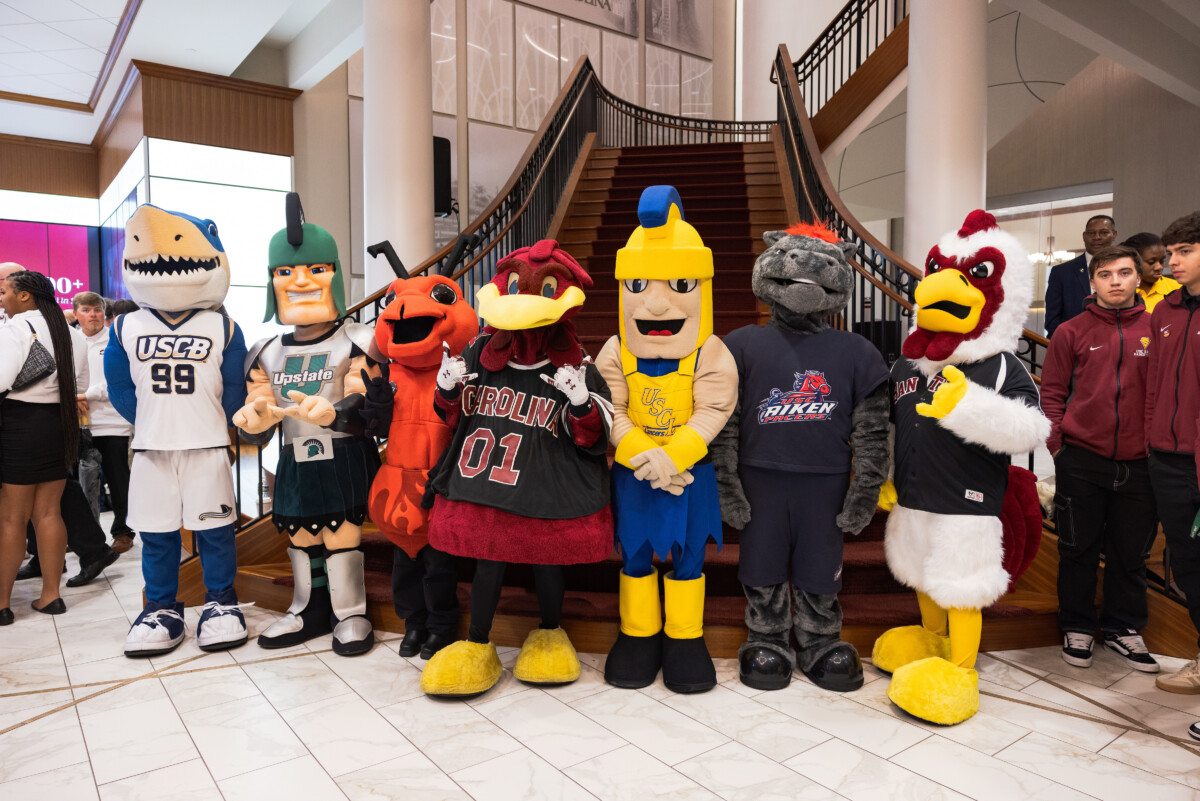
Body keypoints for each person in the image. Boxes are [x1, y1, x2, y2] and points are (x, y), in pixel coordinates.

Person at [1041, 245, 1159, 672]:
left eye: (1124, 273)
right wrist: (1058, 447)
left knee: (1131, 554)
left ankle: (1123, 628)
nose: (1115, 282)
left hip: (1142, 463)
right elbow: (1052, 394)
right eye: (1105, 275)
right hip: (1082, 459)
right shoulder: (1070, 331)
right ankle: (1076, 626)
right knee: (1078, 550)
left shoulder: (1157, 330)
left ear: (1138, 278)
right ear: (1092, 282)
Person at [0, 270, 88, 624]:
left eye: (4, 292)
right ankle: (52, 596)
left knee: (11, 518)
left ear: (25, 296)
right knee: (50, 513)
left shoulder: (15, 329)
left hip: (18, 427)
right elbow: (81, 384)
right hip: (58, 426)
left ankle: (2, 605)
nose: (2, 299)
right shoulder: (72, 334)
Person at [1143, 212, 1200, 706]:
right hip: (1168, 458)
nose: (1171, 263)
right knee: (1187, 565)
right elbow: (1155, 384)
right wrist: (1151, 437)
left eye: (1184, 252)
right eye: (1170, 253)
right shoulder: (1165, 311)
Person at [73, 291, 136, 553]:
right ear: (76, 314)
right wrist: (72, 397)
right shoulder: (70, 339)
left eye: (97, 310)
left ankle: (123, 532)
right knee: (81, 486)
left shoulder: (116, 340)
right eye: (86, 310)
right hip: (79, 423)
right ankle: (86, 537)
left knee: (118, 480)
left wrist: (84, 395)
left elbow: (120, 381)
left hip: (112, 421)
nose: (93, 315)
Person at [1045, 215, 1117, 338]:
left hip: (1115, 342)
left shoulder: (1124, 270)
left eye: (1104, 233)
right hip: (1074, 344)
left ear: (1114, 235)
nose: (1097, 237)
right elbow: (1052, 321)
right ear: (1084, 236)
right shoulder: (1062, 272)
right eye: (1091, 233)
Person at [1122, 232, 1180, 313]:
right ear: (1133, 262)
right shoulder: (1120, 291)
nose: (1159, 267)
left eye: (1162, 261)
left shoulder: (1178, 289)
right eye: (1151, 262)